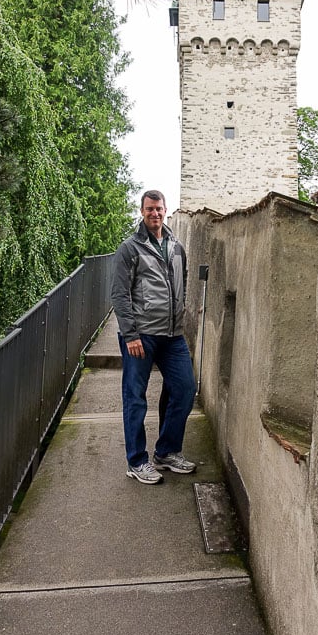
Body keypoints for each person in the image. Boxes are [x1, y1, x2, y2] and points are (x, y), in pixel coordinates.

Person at [110, 190, 197, 484]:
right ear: (142, 211)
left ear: (165, 209)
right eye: (149, 209)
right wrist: (131, 334)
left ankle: (167, 451)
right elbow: (119, 295)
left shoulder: (176, 247)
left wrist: (181, 315)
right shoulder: (130, 248)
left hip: (172, 335)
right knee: (135, 399)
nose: (154, 214)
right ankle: (136, 461)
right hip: (141, 336)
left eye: (158, 209)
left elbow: (181, 284)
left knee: (185, 389)